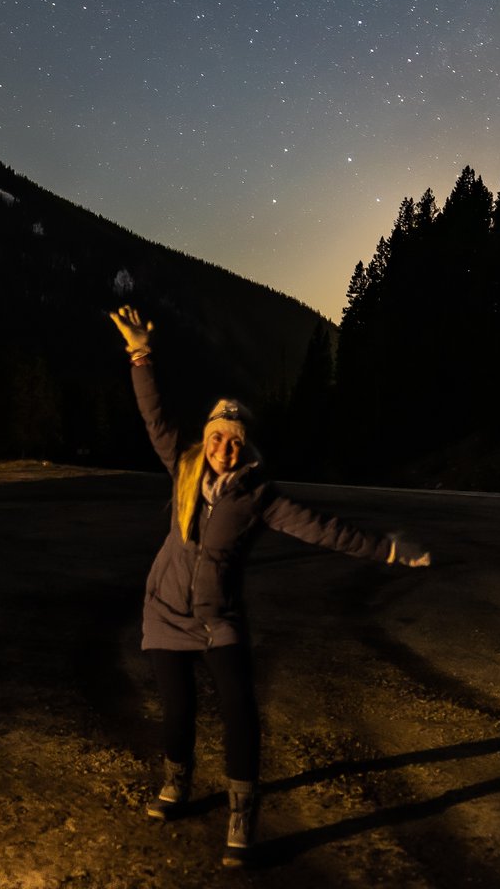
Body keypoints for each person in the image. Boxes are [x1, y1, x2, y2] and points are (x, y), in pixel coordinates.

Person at [109, 304, 430, 866]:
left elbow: (323, 529)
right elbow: (154, 417)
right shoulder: (183, 467)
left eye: (232, 440)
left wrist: (388, 550)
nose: (222, 447)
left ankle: (242, 810)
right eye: (215, 437)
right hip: (164, 609)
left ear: (246, 446)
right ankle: (177, 784)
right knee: (177, 709)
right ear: (206, 438)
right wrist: (140, 354)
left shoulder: (260, 497)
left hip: (218, 617)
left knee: (239, 709)